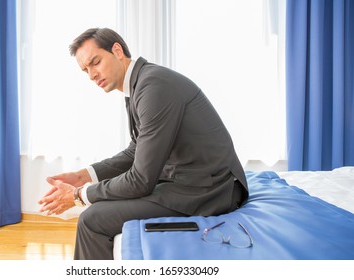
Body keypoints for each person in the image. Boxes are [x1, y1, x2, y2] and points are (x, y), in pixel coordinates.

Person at [38, 27, 249, 260]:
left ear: (117, 50)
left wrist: (79, 195)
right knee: (95, 211)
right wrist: (84, 176)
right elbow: (136, 149)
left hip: (211, 190)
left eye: (95, 62)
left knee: (92, 218)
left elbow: (140, 181)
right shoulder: (141, 83)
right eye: (85, 70)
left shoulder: (154, 86)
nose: (91, 75)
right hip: (192, 180)